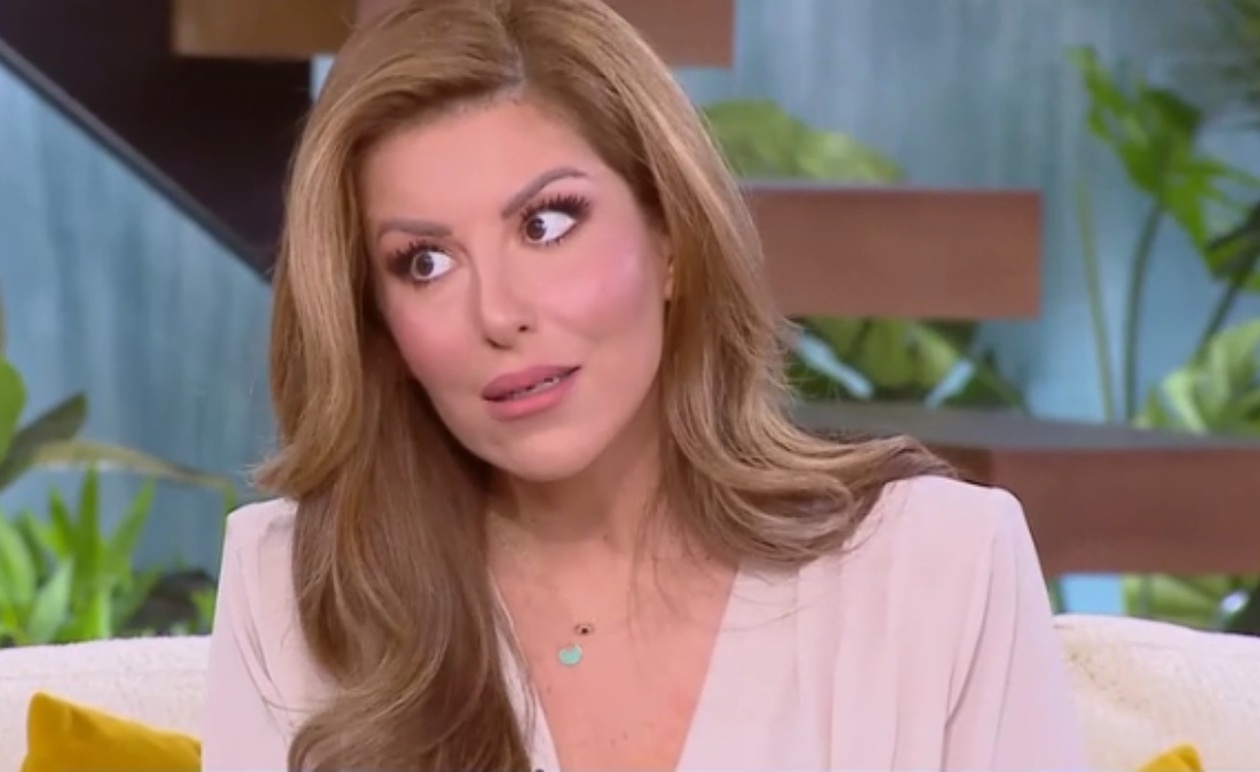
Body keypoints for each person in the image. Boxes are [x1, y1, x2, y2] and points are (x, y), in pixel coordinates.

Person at [200, 0, 1089, 769]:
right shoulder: (294, 591)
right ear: (379, 325)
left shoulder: (942, 567)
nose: (498, 313)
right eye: (424, 262)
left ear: (671, 241)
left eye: (546, 225)